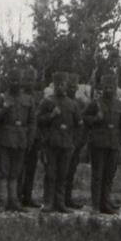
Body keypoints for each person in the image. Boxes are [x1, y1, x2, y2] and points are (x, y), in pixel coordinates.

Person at [0, 67, 35, 211]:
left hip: (21, 139)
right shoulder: (1, 98)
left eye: (18, 81)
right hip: (5, 139)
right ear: (8, 82)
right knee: (4, 172)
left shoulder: (28, 99)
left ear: (21, 82)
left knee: (16, 172)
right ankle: (3, 202)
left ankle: (14, 201)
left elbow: (32, 122)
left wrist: (30, 139)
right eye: (13, 81)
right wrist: (4, 109)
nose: (15, 83)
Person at [83, 71, 121, 214]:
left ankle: (105, 204)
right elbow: (85, 120)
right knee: (97, 175)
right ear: (102, 87)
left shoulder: (119, 105)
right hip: (98, 144)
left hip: (113, 144)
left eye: (111, 87)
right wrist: (96, 118)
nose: (109, 90)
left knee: (109, 176)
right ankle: (95, 205)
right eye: (106, 87)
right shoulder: (95, 104)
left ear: (115, 88)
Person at [37, 71, 80, 213]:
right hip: (51, 144)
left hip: (66, 144)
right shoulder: (47, 101)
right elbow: (38, 120)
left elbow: (78, 124)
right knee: (50, 174)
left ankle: (60, 203)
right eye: (58, 85)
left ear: (66, 86)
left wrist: (73, 141)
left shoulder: (72, 104)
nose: (61, 87)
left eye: (63, 84)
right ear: (54, 86)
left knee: (63, 174)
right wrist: (51, 115)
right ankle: (48, 202)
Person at [17, 66, 42, 208]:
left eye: (32, 80)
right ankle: (17, 196)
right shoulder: (18, 96)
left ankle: (28, 196)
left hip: (36, 137)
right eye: (27, 80)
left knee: (31, 168)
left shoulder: (39, 97)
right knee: (19, 168)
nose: (29, 83)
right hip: (21, 137)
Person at [63, 72, 87, 209]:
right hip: (62, 142)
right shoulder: (59, 101)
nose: (72, 89)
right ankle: (57, 199)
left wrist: (79, 142)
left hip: (75, 143)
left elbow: (82, 124)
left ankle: (67, 199)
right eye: (70, 86)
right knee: (60, 173)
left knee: (71, 172)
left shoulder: (79, 104)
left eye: (74, 87)